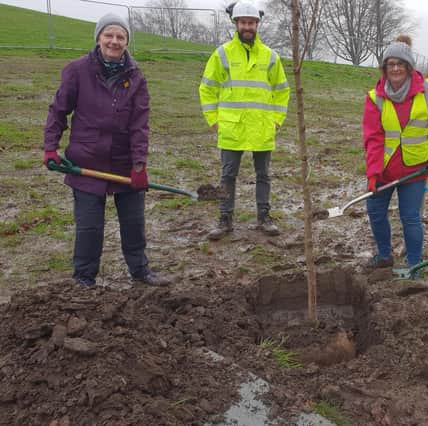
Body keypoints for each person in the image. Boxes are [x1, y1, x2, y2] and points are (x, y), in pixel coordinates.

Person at [43, 13, 169, 288]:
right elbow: (59, 110)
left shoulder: (136, 77)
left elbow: (140, 125)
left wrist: (139, 165)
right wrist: (50, 147)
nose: (114, 41)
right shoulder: (77, 70)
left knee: (134, 223)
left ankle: (140, 271)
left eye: (120, 36)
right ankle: (84, 278)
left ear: (127, 42)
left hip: (124, 162)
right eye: (108, 35)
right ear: (99, 38)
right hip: (87, 161)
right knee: (89, 227)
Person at [199, 0, 290, 240]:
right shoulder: (222, 54)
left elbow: (282, 90)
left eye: (251, 23)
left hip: (262, 127)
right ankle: (224, 219)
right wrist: (213, 119)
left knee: (264, 176)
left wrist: (277, 120)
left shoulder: (271, 56)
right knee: (227, 175)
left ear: (257, 24)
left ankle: (264, 217)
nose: (247, 26)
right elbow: (207, 88)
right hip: (232, 127)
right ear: (236, 24)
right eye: (243, 22)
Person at [362, 35, 428, 274]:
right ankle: (384, 255)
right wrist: (372, 174)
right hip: (384, 170)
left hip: (415, 170)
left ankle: (414, 264)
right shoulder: (375, 98)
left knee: (410, 218)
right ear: (385, 68)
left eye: (401, 63)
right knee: (375, 212)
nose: (396, 68)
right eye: (391, 64)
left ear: (409, 67)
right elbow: (373, 139)